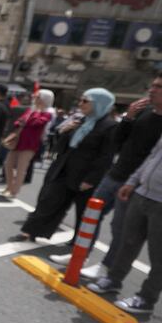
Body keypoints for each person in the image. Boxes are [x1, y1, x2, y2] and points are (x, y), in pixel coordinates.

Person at [56, 74, 162, 272]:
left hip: (136, 182)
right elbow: (118, 141)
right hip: (116, 174)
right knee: (90, 215)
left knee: (119, 227)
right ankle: (80, 256)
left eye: (159, 87)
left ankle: (106, 267)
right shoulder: (143, 112)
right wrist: (128, 118)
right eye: (153, 85)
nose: (152, 89)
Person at [12, 88, 116, 242]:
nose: (81, 104)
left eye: (85, 101)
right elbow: (63, 147)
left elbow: (106, 156)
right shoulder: (81, 120)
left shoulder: (110, 126)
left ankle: (78, 243)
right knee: (49, 201)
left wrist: (91, 179)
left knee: (83, 212)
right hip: (64, 168)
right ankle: (30, 231)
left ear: (99, 103)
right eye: (80, 100)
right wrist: (65, 132)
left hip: (85, 175)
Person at [85, 133, 162, 315]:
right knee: (128, 242)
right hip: (142, 194)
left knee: (158, 255)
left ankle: (146, 298)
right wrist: (133, 181)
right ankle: (113, 280)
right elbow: (151, 157)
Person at [2, 89, 53, 198]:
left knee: (21, 168)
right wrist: (24, 120)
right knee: (8, 164)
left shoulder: (48, 113)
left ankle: (14, 191)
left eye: (38, 97)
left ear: (45, 99)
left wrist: (38, 111)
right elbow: (18, 121)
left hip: (30, 144)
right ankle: (9, 186)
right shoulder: (30, 110)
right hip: (17, 141)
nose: (35, 99)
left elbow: (36, 123)